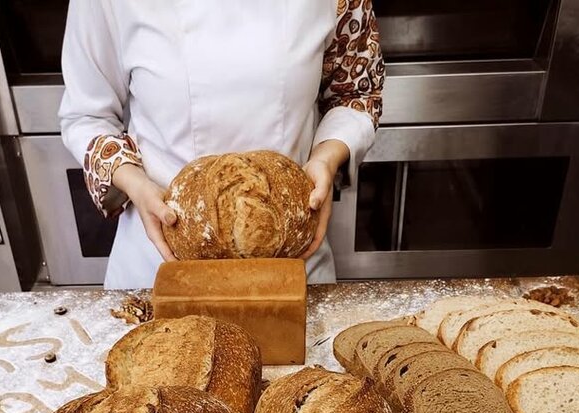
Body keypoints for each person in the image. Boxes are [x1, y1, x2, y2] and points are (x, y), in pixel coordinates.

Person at [59, 0, 385, 289]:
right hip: (160, 266)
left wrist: (326, 159)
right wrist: (134, 182)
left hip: (291, 269)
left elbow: (355, 93)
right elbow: (87, 115)